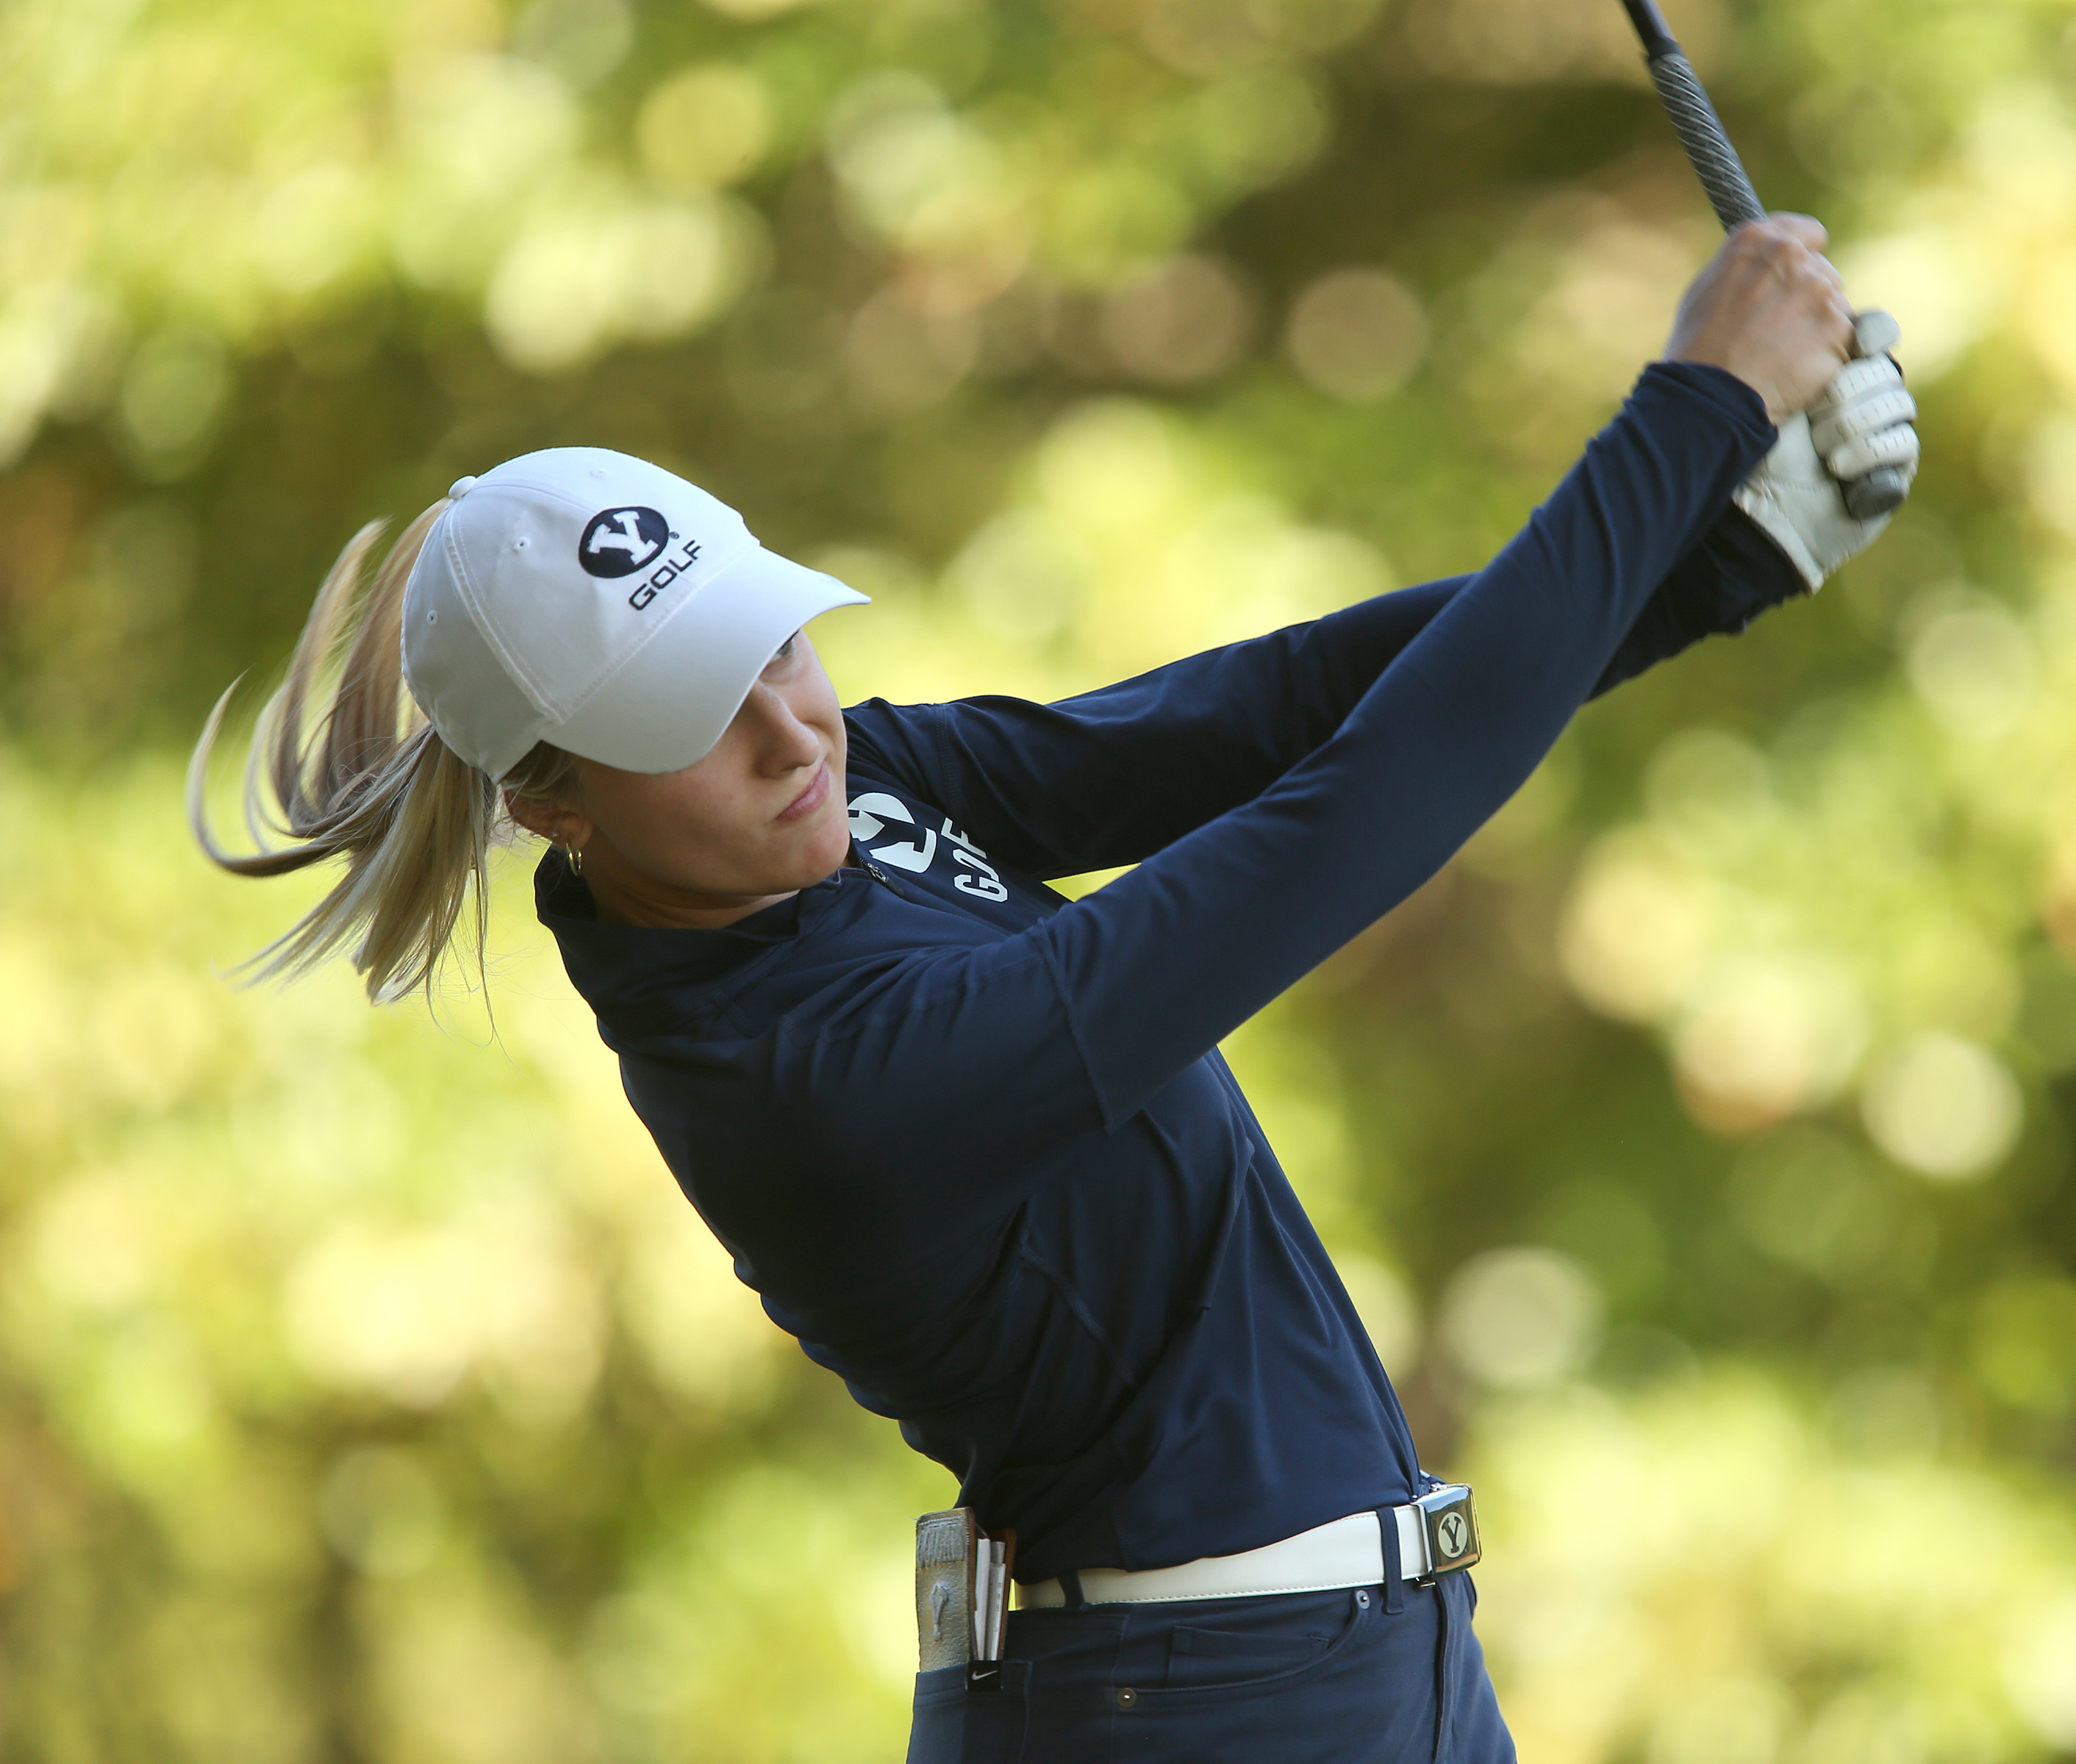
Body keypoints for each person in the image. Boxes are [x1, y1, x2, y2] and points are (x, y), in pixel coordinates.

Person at [194, 215, 1916, 1763]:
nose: (797, 729)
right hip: (1196, 1716)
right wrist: (1689, 414)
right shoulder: (814, 1085)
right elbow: (1347, 824)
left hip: (1356, 1675)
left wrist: (1728, 560)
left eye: (774, 645)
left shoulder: (850, 799)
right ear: (551, 805)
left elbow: (1271, 714)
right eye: (699, 720)